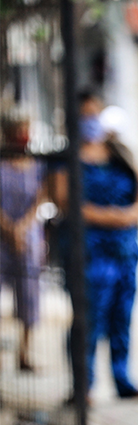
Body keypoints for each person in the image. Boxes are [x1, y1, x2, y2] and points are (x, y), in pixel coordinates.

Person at [78, 90, 138, 398]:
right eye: (85, 115)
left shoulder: (120, 152)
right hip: (92, 251)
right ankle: (85, 384)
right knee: (90, 317)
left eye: (96, 113)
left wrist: (133, 213)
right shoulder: (71, 159)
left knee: (123, 314)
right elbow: (68, 202)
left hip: (125, 249)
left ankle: (123, 379)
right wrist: (112, 217)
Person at [1, 115, 45, 372]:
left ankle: (24, 353)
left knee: (29, 295)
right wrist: (9, 228)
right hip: (3, 232)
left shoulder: (38, 164)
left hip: (27, 235)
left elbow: (41, 197)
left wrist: (22, 228)